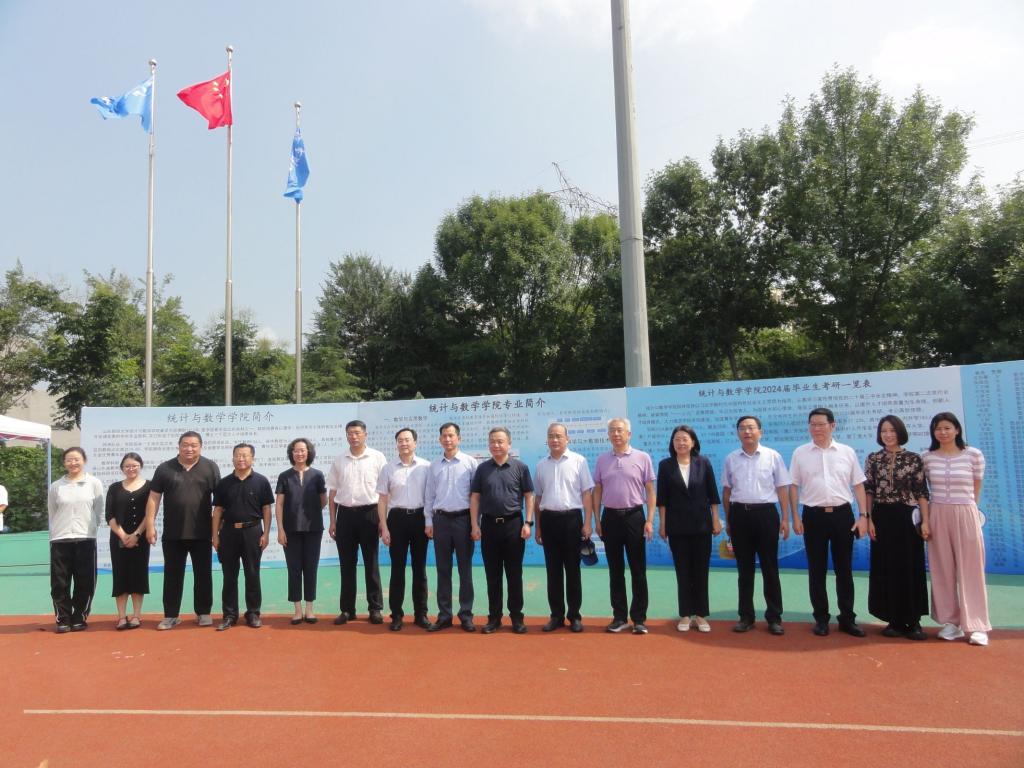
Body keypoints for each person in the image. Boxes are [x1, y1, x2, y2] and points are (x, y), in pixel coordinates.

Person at [790, 407, 869, 637]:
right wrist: (795, 516)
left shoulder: (846, 452)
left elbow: (858, 485)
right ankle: (821, 619)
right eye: (812, 424)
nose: (816, 428)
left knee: (844, 569)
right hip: (813, 516)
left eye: (821, 424)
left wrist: (863, 516)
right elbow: (793, 486)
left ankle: (847, 618)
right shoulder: (800, 453)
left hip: (842, 516)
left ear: (832, 426)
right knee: (816, 570)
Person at [922, 412, 991, 646]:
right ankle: (950, 622)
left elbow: (977, 487)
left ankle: (977, 625)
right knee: (942, 569)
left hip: (966, 512)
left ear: (957, 430)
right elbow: (923, 491)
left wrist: (970, 512)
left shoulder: (973, 455)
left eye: (947, 428)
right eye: (938, 428)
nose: (942, 432)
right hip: (937, 513)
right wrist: (926, 520)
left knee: (971, 570)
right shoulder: (927, 458)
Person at [721, 415, 791, 636]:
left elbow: (782, 488)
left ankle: (774, 617)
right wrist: (729, 520)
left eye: (751, 428)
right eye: (742, 428)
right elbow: (726, 492)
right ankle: (746, 617)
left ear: (760, 431)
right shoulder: (731, 459)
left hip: (766, 515)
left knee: (770, 568)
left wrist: (785, 518)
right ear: (738, 433)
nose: (747, 432)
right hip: (740, 515)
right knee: (744, 569)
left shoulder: (773, 456)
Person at [145, 431, 221, 630]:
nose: (189, 448)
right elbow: (154, 497)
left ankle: (203, 612)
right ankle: (171, 615)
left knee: (203, 574)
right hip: (173, 533)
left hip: (202, 533)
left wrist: (217, 532)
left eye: (194, 445)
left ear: (200, 447)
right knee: (172, 575)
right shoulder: (165, 468)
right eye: (185, 444)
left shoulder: (210, 467)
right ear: (178, 446)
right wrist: (150, 525)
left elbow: (220, 503)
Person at [864, 415, 930, 640]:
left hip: (908, 517)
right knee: (887, 567)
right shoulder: (873, 459)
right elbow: (869, 490)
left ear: (900, 432)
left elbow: (921, 492)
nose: (888, 434)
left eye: (892, 430)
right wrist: (868, 518)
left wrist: (926, 521)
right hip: (882, 517)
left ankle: (914, 621)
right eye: (884, 431)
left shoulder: (914, 459)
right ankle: (893, 619)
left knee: (911, 566)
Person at [593, 417, 656, 635]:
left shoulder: (642, 457)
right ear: (608, 435)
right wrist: (597, 520)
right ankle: (619, 617)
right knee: (615, 570)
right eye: (612, 430)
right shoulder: (602, 459)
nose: (616, 434)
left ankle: (639, 619)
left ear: (629, 434)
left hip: (635, 517)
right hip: (610, 517)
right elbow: (597, 490)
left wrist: (649, 520)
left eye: (620, 430)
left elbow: (650, 491)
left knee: (638, 570)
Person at [656, 425, 722, 633]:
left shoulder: (703, 463)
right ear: (672, 443)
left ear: (693, 442)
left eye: (685, 439)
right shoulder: (665, 465)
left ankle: (701, 615)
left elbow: (713, 494)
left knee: (701, 571)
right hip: (677, 527)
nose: (681, 443)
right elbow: (662, 499)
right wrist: (662, 524)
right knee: (682, 571)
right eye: (677, 439)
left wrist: (716, 520)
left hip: (702, 526)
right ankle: (685, 614)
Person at [470, 427, 535, 634]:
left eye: (500, 441)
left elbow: (529, 495)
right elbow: (475, 498)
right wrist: (475, 524)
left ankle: (516, 617)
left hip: (513, 526)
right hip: (489, 525)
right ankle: (494, 618)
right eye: (492, 441)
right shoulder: (482, 469)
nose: (496, 445)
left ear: (509, 443)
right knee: (493, 575)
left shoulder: (520, 467)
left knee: (514, 574)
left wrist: (528, 522)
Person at [534, 423, 594, 633]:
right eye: (551, 436)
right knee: (553, 572)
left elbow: (586, 493)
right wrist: (538, 527)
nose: (555, 439)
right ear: (547, 440)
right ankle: (556, 616)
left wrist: (587, 522)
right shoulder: (541, 465)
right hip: (549, 520)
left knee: (573, 570)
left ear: (567, 439)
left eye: (559, 436)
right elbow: (538, 498)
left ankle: (574, 616)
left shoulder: (579, 461)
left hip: (572, 521)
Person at [326, 420, 387, 625]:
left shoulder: (377, 457)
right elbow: (332, 493)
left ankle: (375, 608)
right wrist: (333, 521)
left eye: (357, 433)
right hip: (345, 516)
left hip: (370, 514)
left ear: (365, 435)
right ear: (346, 436)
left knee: (371, 563)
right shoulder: (339, 460)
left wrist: (383, 521)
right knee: (347, 565)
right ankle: (347, 610)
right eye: (350, 433)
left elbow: (384, 493)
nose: (353, 436)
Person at [423, 422, 478, 632]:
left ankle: (466, 615)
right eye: (444, 436)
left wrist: (475, 523)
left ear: (459, 438)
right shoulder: (434, 465)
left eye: (451, 435)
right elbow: (429, 495)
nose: (448, 439)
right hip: (441, 521)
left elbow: (476, 497)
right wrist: (428, 521)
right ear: (440, 439)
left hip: (464, 520)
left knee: (465, 570)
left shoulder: (470, 463)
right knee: (443, 569)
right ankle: (444, 615)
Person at [212, 443, 274, 630]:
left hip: (253, 532)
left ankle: (253, 613)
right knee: (229, 576)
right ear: (232, 458)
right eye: (237, 455)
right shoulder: (224, 483)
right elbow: (218, 510)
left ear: (252, 458)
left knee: (252, 574)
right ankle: (229, 615)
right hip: (228, 533)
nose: (241, 459)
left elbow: (266, 509)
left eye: (245, 455)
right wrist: (215, 535)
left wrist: (266, 533)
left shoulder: (261, 481)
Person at [377, 428, 431, 631]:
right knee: (397, 569)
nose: (404, 443)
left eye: (408, 440)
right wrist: (384, 527)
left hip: (419, 518)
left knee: (420, 568)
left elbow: (430, 497)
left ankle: (421, 614)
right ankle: (396, 615)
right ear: (396, 444)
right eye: (400, 440)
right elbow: (382, 500)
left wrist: (429, 522)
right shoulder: (388, 468)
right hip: (396, 519)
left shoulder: (426, 466)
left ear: (415, 443)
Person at [48, 447, 104, 633]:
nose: (73, 463)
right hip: (60, 539)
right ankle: (63, 618)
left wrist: (90, 529)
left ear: (84, 460)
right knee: (60, 582)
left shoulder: (93, 483)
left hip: (85, 538)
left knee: (85, 580)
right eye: (69, 460)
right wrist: (59, 531)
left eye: (76, 459)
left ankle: (79, 616)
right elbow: (52, 512)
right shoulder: (56, 486)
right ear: (64, 463)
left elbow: (98, 510)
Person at [274, 437, 327, 625]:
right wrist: (280, 529)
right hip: (290, 530)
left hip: (313, 529)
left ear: (308, 452)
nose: (299, 453)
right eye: (296, 450)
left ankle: (309, 609)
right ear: (292, 453)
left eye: (303, 450)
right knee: (294, 569)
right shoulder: (284, 476)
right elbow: (279, 504)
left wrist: (310, 512)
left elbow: (323, 500)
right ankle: (297, 610)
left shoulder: (318, 475)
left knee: (311, 568)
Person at [106, 452, 151, 630]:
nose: (131, 468)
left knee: (138, 576)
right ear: (122, 468)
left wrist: (137, 534)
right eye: (127, 466)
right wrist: (123, 535)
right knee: (120, 576)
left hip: (141, 539)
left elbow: (150, 513)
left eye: (134, 465)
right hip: (119, 540)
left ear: (140, 466)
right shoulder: (114, 488)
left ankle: (136, 615)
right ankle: (121, 616)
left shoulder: (149, 486)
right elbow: (109, 515)